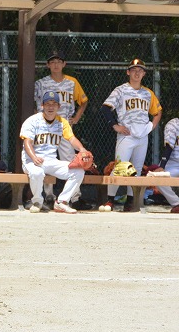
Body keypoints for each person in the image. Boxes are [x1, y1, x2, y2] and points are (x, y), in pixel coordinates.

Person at [101, 59, 162, 211]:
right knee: (120, 167)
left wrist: (152, 126)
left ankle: (130, 202)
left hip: (142, 136)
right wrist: (115, 125)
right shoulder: (120, 90)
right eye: (134, 70)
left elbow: (158, 111)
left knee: (137, 169)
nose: (137, 73)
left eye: (140, 70)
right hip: (126, 135)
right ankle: (110, 200)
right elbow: (106, 108)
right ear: (128, 72)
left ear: (144, 73)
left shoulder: (148, 93)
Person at [20, 91, 91, 213]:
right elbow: (27, 142)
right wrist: (34, 157)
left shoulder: (62, 122)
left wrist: (82, 149)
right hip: (31, 160)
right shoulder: (32, 120)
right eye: (48, 104)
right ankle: (37, 201)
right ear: (42, 106)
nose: (51, 107)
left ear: (59, 106)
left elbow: (71, 139)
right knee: (37, 173)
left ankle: (62, 202)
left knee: (78, 171)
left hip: (51, 160)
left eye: (54, 104)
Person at [33, 50, 89, 205]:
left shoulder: (72, 82)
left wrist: (76, 118)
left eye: (59, 62)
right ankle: (49, 195)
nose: (56, 65)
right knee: (46, 158)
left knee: (70, 160)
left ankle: (74, 197)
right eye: (52, 62)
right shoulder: (41, 83)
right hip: (46, 127)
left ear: (64, 64)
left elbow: (84, 101)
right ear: (48, 65)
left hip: (64, 126)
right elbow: (34, 102)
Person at [155, 118, 179, 213]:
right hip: (173, 162)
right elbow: (169, 147)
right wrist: (162, 166)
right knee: (156, 177)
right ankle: (177, 203)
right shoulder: (174, 124)